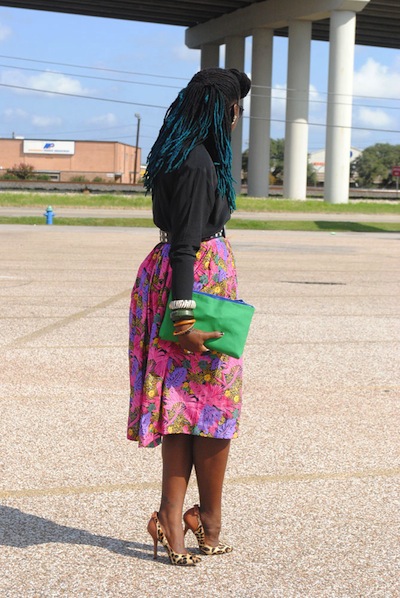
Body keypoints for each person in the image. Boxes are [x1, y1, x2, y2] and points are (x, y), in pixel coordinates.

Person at [127, 67, 251, 566]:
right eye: (236, 110)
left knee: (182, 406)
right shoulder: (199, 163)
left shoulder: (176, 153)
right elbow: (185, 245)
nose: (238, 118)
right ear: (223, 112)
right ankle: (202, 520)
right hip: (193, 290)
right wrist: (184, 324)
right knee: (215, 408)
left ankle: (177, 518)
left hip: (181, 282)